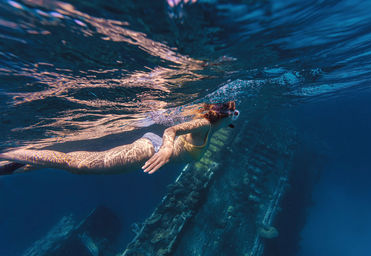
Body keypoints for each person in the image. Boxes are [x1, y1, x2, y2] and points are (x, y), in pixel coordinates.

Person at [0, 101, 239, 175]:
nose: (232, 121)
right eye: (231, 116)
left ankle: (8, 166)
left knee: (69, 163)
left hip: (149, 147)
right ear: (218, 116)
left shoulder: (216, 127)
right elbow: (170, 131)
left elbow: (228, 119)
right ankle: (7, 151)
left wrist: (229, 117)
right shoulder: (204, 124)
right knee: (76, 164)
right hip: (152, 149)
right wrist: (166, 149)